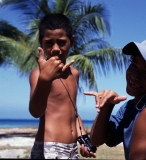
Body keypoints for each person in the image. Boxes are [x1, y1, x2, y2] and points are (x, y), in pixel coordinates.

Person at [84, 36, 146, 159]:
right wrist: (107, 105)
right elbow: (97, 140)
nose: (135, 76)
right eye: (134, 65)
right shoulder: (129, 108)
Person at [28, 13, 96, 159]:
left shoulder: (74, 73)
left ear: (71, 41)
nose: (56, 48)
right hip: (49, 148)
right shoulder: (38, 74)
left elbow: (73, 112)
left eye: (61, 42)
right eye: (49, 42)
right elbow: (35, 111)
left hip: (72, 149)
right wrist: (45, 80)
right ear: (41, 42)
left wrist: (83, 138)